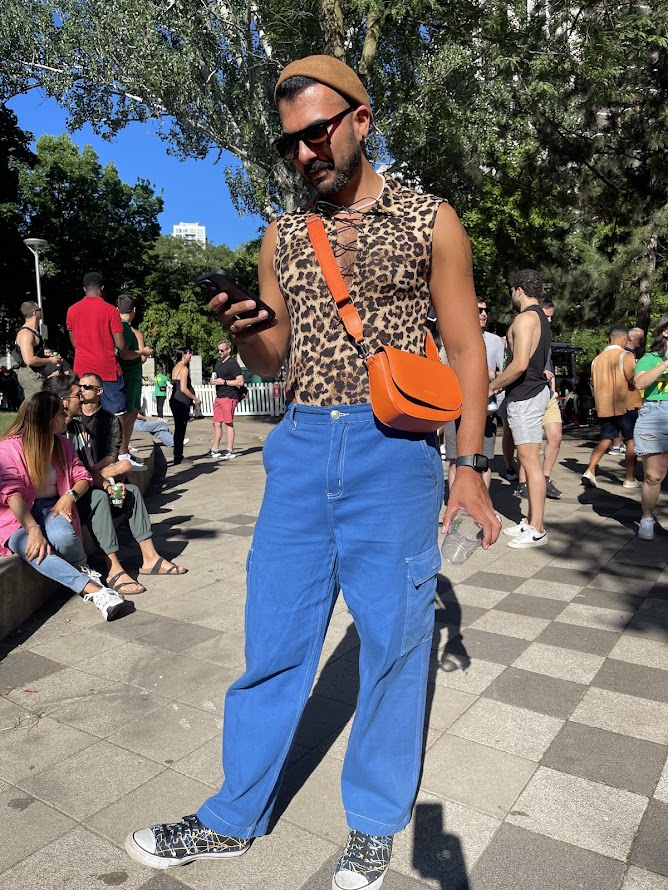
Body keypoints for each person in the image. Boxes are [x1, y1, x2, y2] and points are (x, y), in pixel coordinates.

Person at [125, 54, 500, 889]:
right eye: (290, 142)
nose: (304, 154)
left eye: (317, 133)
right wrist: (242, 329)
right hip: (298, 449)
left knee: (396, 649)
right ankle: (232, 815)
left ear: (361, 122)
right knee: (275, 642)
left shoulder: (430, 218)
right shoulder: (283, 235)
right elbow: (273, 353)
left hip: (395, 453)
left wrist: (468, 466)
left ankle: (371, 822)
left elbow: (469, 348)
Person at [44, 373, 187, 592]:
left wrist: (107, 483)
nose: (81, 396)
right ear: (62, 401)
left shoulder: (90, 425)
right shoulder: (53, 432)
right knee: (100, 497)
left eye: (85, 389)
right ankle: (112, 568)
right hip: (64, 498)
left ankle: (150, 558)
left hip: (82, 487)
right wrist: (101, 482)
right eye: (77, 393)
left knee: (131, 492)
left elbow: (92, 466)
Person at [0, 391, 125, 620]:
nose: (66, 415)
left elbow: (82, 477)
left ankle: (80, 566)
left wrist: (69, 496)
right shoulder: (8, 449)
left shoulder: (62, 443)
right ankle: (96, 592)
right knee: (33, 548)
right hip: (16, 515)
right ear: (46, 419)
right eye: (61, 412)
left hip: (52, 506)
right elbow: (11, 494)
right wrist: (33, 529)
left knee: (65, 538)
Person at [491, 269, 551, 548]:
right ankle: (530, 520)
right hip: (528, 393)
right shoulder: (540, 316)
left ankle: (537, 529)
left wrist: (491, 386)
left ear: (518, 290)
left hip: (527, 395)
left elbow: (519, 364)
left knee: (530, 463)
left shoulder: (526, 318)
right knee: (529, 461)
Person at [66, 272, 151, 455]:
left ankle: (84, 452)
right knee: (117, 413)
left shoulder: (72, 310)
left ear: (84, 289)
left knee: (83, 410)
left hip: (81, 370)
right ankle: (120, 455)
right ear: (102, 289)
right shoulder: (110, 310)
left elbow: (74, 343)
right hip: (107, 371)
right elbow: (120, 345)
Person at [443, 299, 504, 489]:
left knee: (484, 460)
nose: (484, 314)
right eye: (479, 310)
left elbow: (501, 373)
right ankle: (454, 506)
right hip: (457, 406)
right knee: (455, 459)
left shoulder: (495, 341)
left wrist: (494, 377)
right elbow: (443, 368)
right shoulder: (452, 338)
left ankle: (484, 505)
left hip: (485, 408)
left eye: (486, 310)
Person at [513, 298, 563, 500]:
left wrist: (553, 385)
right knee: (529, 444)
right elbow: (521, 362)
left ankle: (545, 478)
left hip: (547, 393)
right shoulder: (527, 327)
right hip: (528, 392)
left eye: (551, 317)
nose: (549, 321)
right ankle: (524, 483)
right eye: (547, 316)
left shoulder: (547, 335)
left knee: (555, 436)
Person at [581, 325, 640, 489]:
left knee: (606, 439)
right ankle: (629, 478)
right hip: (626, 405)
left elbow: (593, 385)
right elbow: (633, 379)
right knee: (631, 440)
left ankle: (590, 469)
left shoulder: (597, 360)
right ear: (623, 339)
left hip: (606, 407)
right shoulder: (625, 355)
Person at [632, 316, 668, 540]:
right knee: (654, 475)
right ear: (665, 332)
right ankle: (647, 518)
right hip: (655, 413)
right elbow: (639, 383)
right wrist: (665, 363)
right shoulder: (650, 358)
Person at [116, 294, 152, 469]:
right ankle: (123, 454)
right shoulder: (129, 330)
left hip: (122, 376)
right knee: (128, 416)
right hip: (130, 376)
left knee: (125, 416)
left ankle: (123, 453)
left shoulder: (115, 326)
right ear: (134, 311)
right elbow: (127, 354)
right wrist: (143, 352)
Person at [13, 301, 62, 400]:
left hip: (37, 374)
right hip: (31, 375)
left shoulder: (34, 332)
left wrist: (45, 355)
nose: (41, 312)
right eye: (40, 310)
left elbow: (33, 353)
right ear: (35, 312)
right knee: (36, 407)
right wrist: (51, 360)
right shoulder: (26, 333)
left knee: (42, 405)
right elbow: (29, 360)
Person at [209, 339, 244, 460]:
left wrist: (224, 382)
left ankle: (230, 450)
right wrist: (213, 381)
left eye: (222, 350)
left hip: (229, 396)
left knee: (228, 423)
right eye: (218, 350)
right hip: (219, 396)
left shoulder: (233, 364)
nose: (220, 352)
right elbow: (216, 377)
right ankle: (215, 448)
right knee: (217, 423)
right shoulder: (218, 363)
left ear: (229, 350)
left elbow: (240, 381)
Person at [170, 347, 200, 465]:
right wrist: (194, 398)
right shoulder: (184, 369)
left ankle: (177, 454)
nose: (191, 355)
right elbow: (183, 388)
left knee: (178, 428)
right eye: (189, 353)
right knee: (180, 428)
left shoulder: (175, 367)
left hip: (174, 399)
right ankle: (178, 455)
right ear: (184, 355)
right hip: (181, 400)